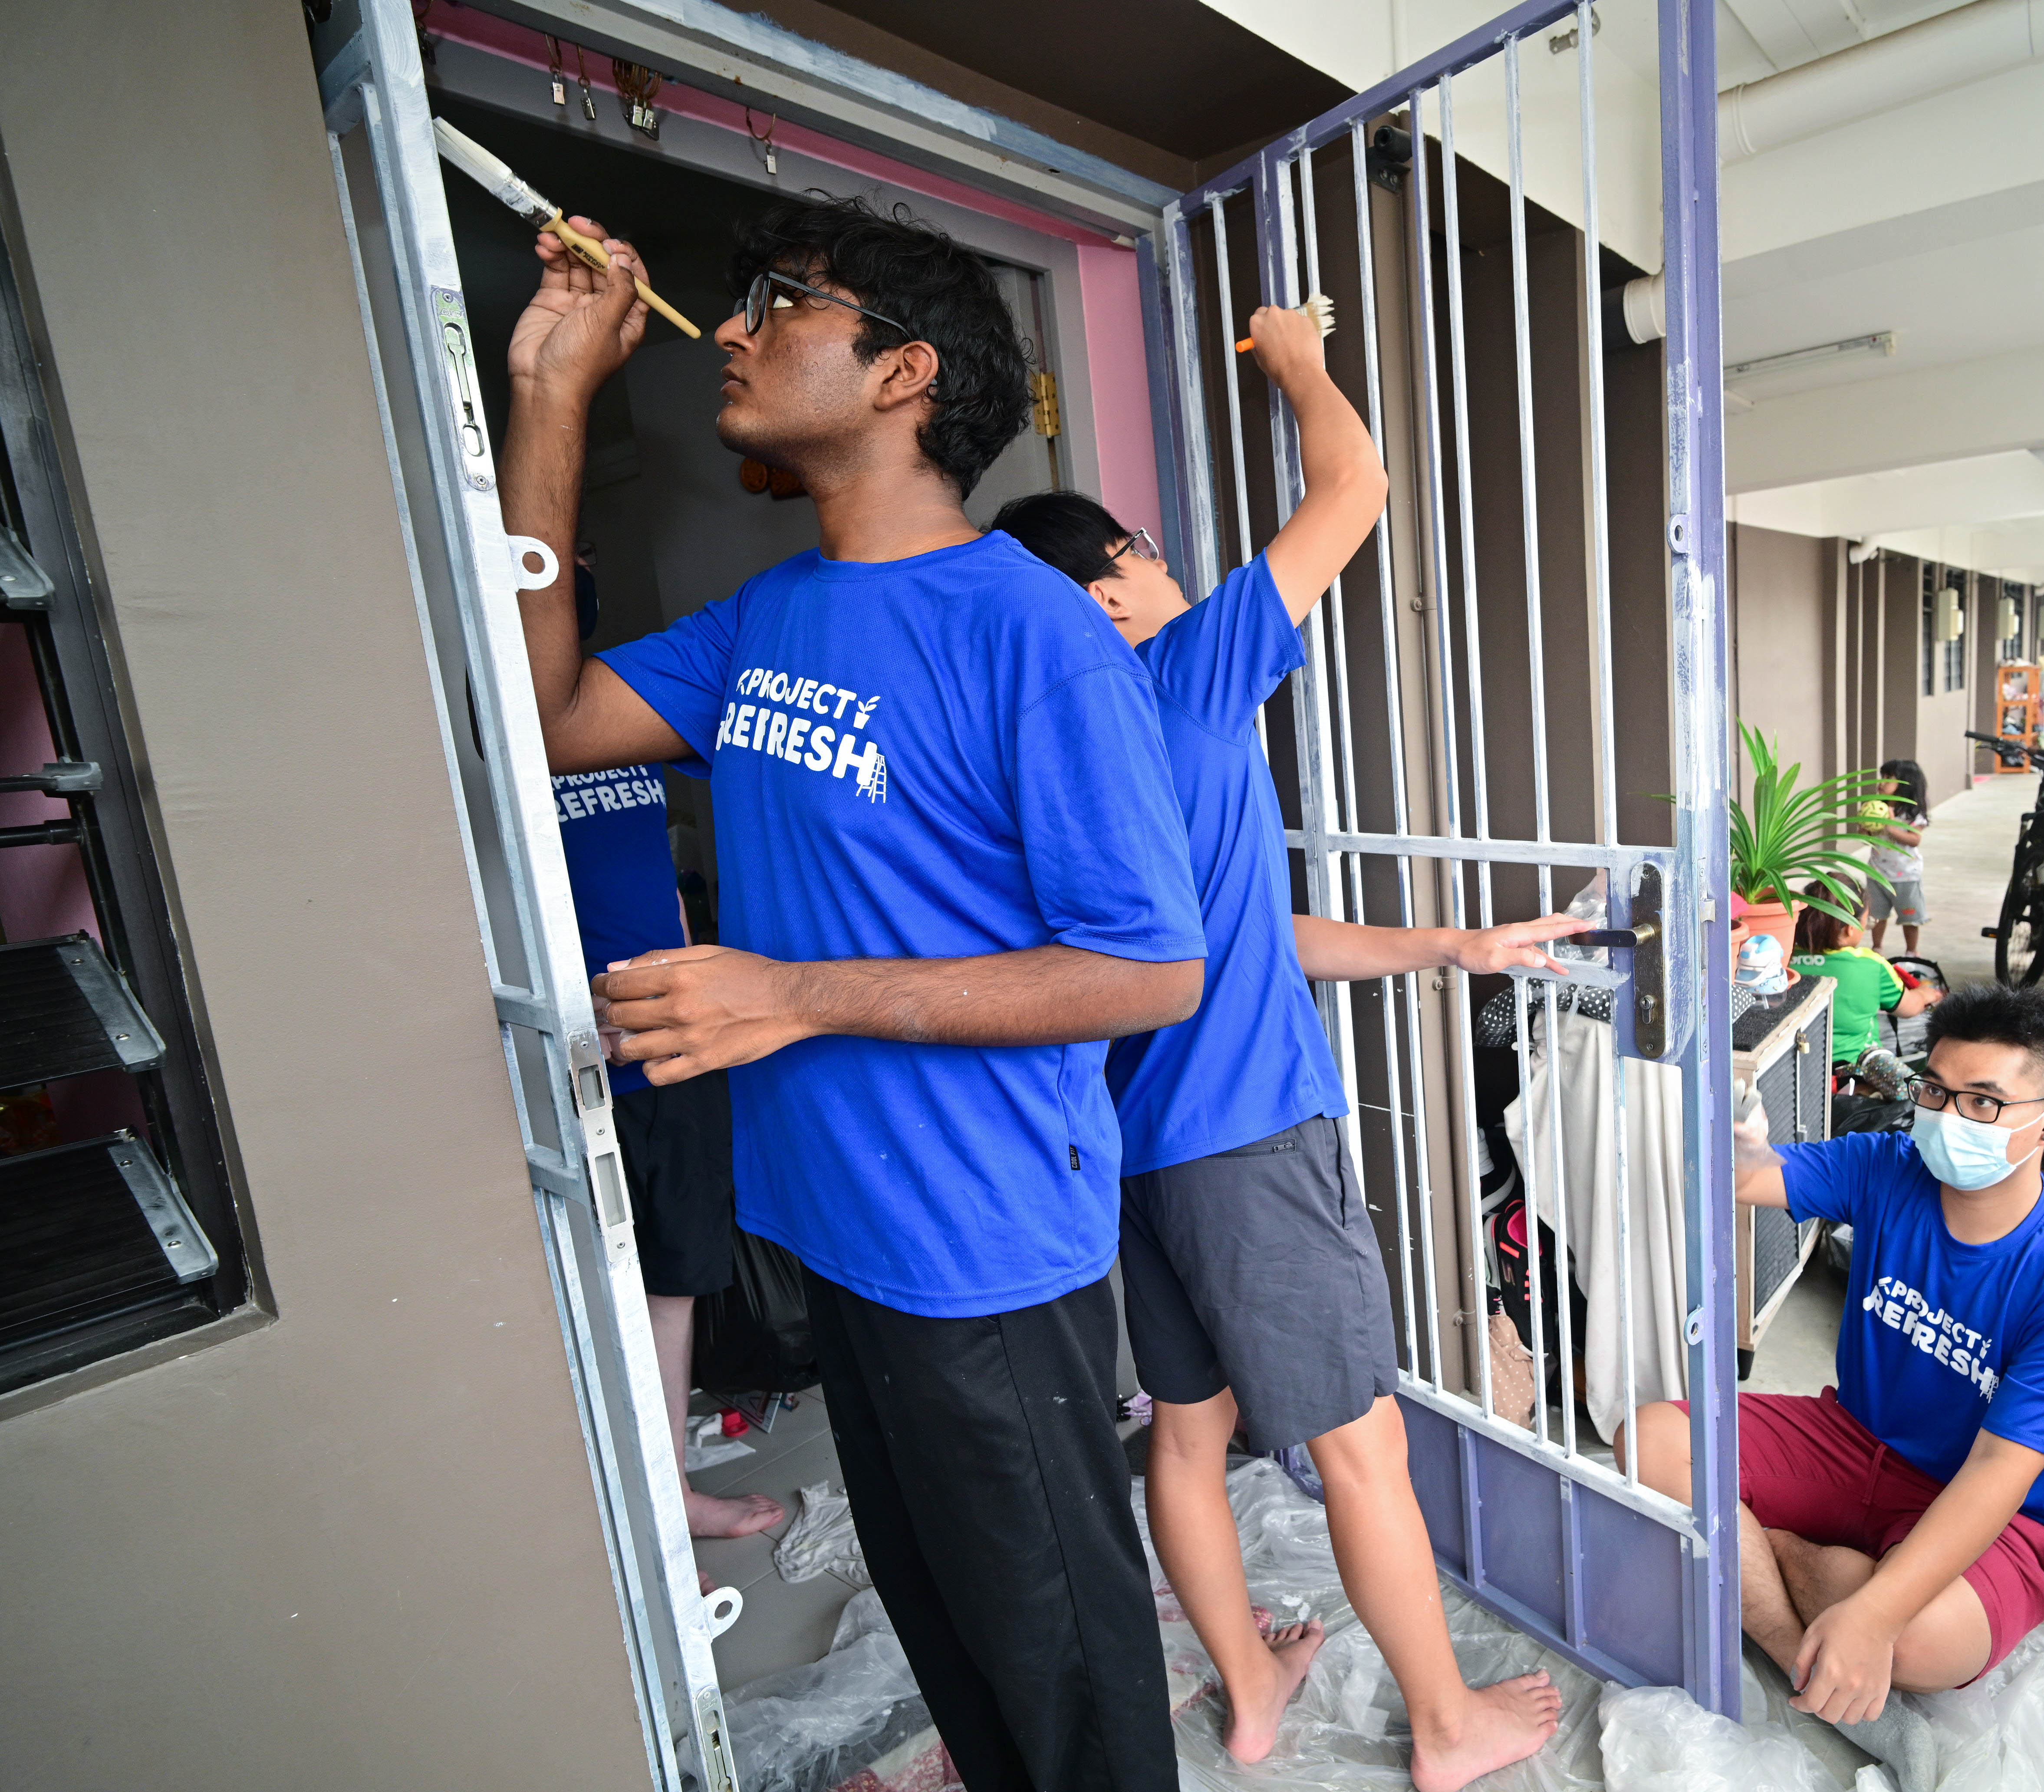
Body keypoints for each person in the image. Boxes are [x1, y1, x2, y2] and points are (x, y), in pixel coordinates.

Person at [498, 196, 1206, 1792]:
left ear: (905, 374)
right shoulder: (774, 612)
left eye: (782, 302)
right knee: (955, 1641)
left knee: (1068, 1684)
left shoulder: (1028, 631)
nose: (734, 329)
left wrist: (795, 993)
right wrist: (551, 398)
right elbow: (544, 718)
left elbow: (1151, 965)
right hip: (837, 1235)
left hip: (980, 1251)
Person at [989, 325, 1573, 1791]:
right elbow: (1357, 481)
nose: (1178, 570)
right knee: (1358, 1440)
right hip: (1249, 1135)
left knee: (1187, 1430)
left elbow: (1241, 929)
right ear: (1110, 578)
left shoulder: (1034, 747)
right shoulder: (1179, 673)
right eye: (1150, 550)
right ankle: (1446, 1726)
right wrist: (1298, 362)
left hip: (1134, 1151)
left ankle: (1252, 1692)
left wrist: (1448, 947)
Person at [1624, 984, 2044, 1769]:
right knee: (1649, 1442)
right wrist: (1737, 1138)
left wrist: (1879, 1614)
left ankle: (1770, 1551)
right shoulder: (1888, 1166)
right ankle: (1802, 1645)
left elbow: (2001, 1468)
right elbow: (1756, 1178)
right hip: (1852, 1437)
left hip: (1988, 1497)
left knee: (1923, 1646)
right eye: (1935, 1088)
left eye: (1983, 1101)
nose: (1947, 1115)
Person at [551, 552, 781, 1544]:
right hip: (565, 1056)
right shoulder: (468, 737)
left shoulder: (618, 713)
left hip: (667, 1044)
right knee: (580, 1287)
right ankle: (617, 1524)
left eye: (583, 567)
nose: (583, 576)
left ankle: (669, 1491)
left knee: (672, 1278)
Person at [1790, 878, 1938, 1087]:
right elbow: (1909, 1009)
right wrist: (1926, 993)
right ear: (1850, 928)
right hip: (1857, 1068)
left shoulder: (1785, 958)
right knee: (1918, 1092)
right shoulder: (1872, 964)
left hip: (1795, 1066)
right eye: (1867, 922)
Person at [1863, 758, 1928, 955]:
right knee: (1877, 916)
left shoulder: (1911, 814)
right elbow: (1868, 839)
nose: (1881, 783)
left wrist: (1890, 826)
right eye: (1882, 777)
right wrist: (1865, 827)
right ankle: (1877, 948)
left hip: (1906, 876)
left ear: (1907, 784)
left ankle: (1911, 952)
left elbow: (1914, 839)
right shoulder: (1877, 808)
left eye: (1889, 778)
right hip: (1878, 873)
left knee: (1910, 918)